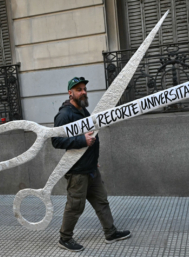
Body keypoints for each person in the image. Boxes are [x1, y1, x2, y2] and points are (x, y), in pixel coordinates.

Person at [51, 77, 131, 252]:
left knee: (102, 201)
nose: (83, 92)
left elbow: (91, 137)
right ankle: (65, 239)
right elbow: (56, 141)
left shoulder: (84, 112)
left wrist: (94, 161)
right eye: (79, 89)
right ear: (70, 93)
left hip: (91, 169)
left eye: (84, 89)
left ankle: (110, 233)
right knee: (75, 206)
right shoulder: (65, 114)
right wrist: (81, 140)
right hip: (77, 171)